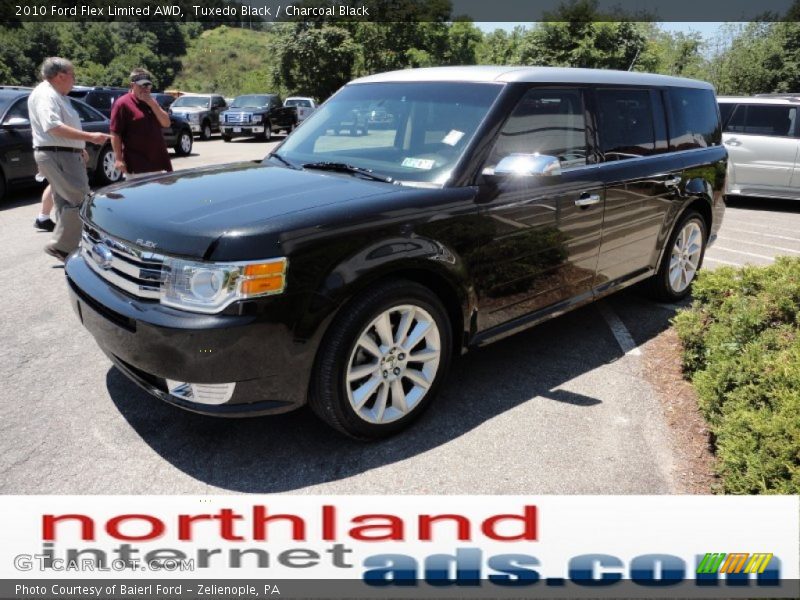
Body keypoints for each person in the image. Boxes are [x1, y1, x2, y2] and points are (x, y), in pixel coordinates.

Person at [28, 57, 110, 261]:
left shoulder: (57, 94)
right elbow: (53, 127)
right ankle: (61, 246)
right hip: (57, 154)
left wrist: (78, 147)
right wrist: (90, 137)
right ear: (60, 76)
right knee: (81, 200)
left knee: (66, 202)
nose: (74, 79)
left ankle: (69, 246)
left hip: (63, 153)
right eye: (73, 75)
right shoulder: (46, 95)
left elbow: (60, 128)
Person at [110, 68, 172, 179]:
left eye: (147, 86)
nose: (145, 89)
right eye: (141, 86)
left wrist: (152, 104)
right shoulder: (122, 104)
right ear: (132, 85)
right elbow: (115, 133)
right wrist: (118, 159)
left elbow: (166, 123)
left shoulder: (152, 102)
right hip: (138, 167)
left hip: (159, 163)